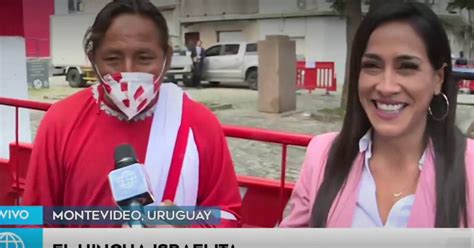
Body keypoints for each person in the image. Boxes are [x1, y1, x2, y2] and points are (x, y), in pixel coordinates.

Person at [22, 0, 241, 227]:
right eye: (112, 59)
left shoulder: (198, 123)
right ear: (92, 59)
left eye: (144, 58)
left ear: (166, 59)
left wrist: (186, 230)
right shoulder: (61, 121)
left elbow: (227, 215)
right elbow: (35, 221)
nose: (128, 71)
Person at [280, 2, 474, 228]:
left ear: (438, 79)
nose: (386, 86)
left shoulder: (468, 166)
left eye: (407, 67)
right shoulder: (322, 155)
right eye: (372, 65)